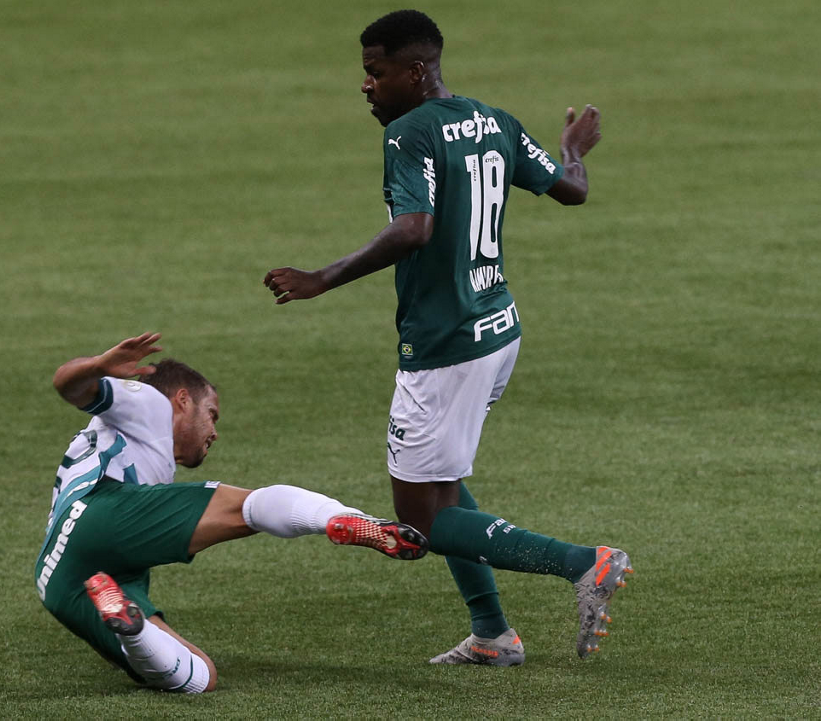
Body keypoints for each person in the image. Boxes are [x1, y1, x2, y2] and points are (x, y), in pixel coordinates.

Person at [262, 10, 633, 665]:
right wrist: (572, 148)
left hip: (444, 347)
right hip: (497, 329)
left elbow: (414, 228)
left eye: (375, 72)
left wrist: (322, 278)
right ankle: (492, 635)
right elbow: (571, 188)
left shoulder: (409, 133)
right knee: (444, 484)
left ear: (415, 71)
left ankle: (583, 562)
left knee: (420, 521)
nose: (366, 85)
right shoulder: (494, 121)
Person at [35, 332, 428, 693]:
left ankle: (133, 632)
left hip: (59, 577)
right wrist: (99, 366)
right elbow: (67, 384)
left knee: (200, 676)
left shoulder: (121, 442)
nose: (214, 432)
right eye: (211, 414)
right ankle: (339, 518)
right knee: (248, 509)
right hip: (100, 511)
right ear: (183, 400)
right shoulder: (151, 403)